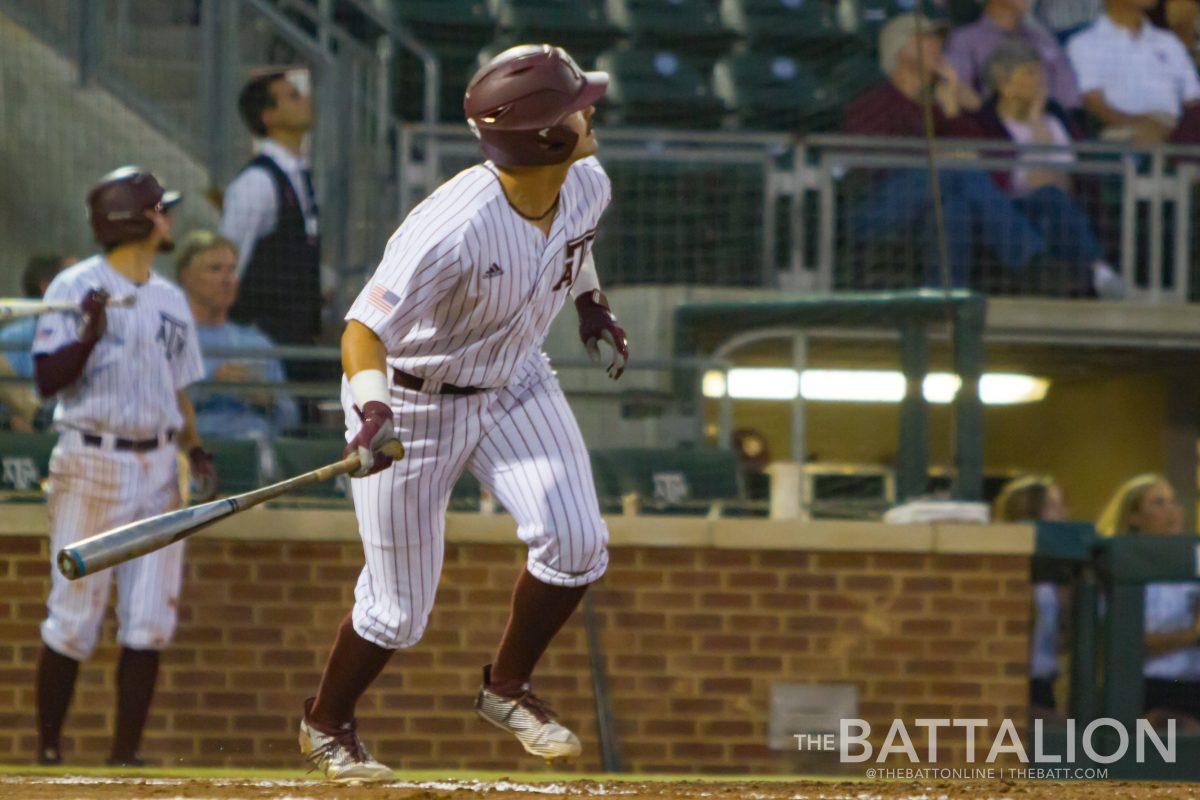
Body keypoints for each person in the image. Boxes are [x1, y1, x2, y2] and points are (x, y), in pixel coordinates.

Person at [297, 44, 629, 782]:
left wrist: (589, 303)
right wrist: (372, 410)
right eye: (578, 106)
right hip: (413, 403)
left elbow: (575, 247)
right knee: (396, 613)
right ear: (544, 136)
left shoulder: (586, 181)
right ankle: (326, 722)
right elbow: (362, 330)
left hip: (515, 381)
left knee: (577, 543)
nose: (591, 110)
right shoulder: (453, 226)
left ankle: (507, 689)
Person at [31, 166, 217, 767]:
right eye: (161, 209)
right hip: (91, 458)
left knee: (150, 618)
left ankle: (124, 760)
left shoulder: (169, 299)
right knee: (74, 614)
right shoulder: (75, 285)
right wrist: (88, 332)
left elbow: (179, 389)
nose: (169, 218)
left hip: (159, 462)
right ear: (134, 220)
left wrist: (193, 448)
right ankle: (49, 754)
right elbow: (46, 379)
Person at [843, 13, 1051, 288]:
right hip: (880, 208)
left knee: (954, 208)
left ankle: (947, 302)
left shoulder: (941, 104)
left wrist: (958, 110)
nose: (937, 46)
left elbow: (997, 153)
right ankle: (1029, 257)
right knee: (954, 172)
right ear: (901, 50)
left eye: (937, 40)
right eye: (926, 39)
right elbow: (869, 165)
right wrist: (939, 158)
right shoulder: (873, 104)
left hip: (933, 203)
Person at [971, 40, 1124, 296]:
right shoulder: (986, 125)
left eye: (1040, 72)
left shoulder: (1057, 119)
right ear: (1004, 86)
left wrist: (1037, 121)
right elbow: (1030, 182)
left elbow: (1068, 181)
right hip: (1010, 212)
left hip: (1061, 207)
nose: (1040, 80)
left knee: (1054, 201)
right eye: (1029, 73)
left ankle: (1093, 276)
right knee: (1051, 198)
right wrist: (1034, 126)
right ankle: (1098, 272)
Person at [220, 70, 321, 358]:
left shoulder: (300, 175)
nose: (305, 100)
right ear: (269, 116)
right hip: (262, 337)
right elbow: (233, 259)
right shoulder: (257, 183)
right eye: (292, 96)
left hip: (295, 334)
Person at [175, 230, 299, 460]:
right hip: (193, 454)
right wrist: (212, 383)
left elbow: (292, 417)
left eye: (232, 270)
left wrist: (268, 400)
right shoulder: (170, 338)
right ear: (186, 275)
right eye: (215, 269)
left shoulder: (256, 343)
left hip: (255, 456)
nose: (227, 279)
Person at [1097, 474, 1200, 727]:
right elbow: (1130, 643)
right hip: (1144, 689)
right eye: (1158, 503)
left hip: (1192, 686)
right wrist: (1193, 633)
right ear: (1134, 516)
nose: (1172, 511)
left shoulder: (1191, 564)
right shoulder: (1115, 568)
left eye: (1173, 502)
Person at [1067, 0, 1200, 144]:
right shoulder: (1085, 43)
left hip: (1176, 129)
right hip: (1122, 131)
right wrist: (1140, 124)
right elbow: (1093, 102)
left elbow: (1192, 99)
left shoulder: (1168, 42)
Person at [992, 475, 1070, 717]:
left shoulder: (1056, 576)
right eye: (1053, 506)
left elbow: (1060, 642)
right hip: (1012, 688)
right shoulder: (1006, 571)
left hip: (1043, 685)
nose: (1063, 514)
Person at [944, 0, 1082, 109]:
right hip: (996, 131)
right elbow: (957, 87)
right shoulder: (966, 39)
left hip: (1051, 127)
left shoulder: (1041, 38)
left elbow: (1069, 91)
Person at [0, 255, 72, 431]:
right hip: (33, 435)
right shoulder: (14, 338)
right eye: (76, 280)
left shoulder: (86, 333)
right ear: (47, 287)